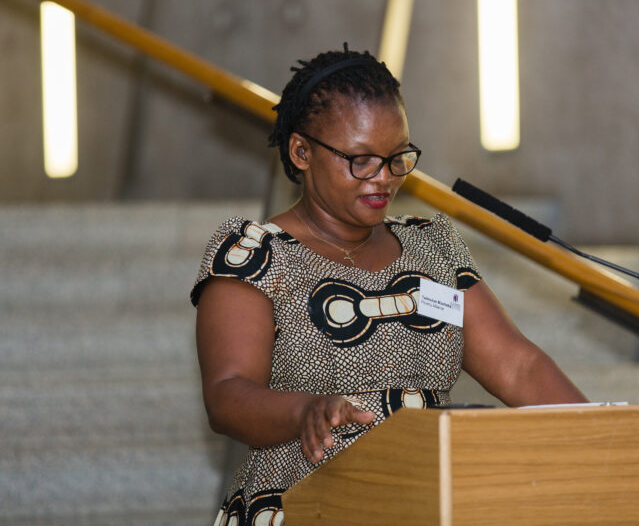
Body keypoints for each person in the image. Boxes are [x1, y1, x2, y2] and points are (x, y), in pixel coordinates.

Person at [191, 44, 586, 526]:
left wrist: (602, 439)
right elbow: (228, 394)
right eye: (360, 160)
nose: (383, 179)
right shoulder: (255, 255)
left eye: (397, 157)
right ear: (301, 151)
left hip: (424, 502)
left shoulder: (433, 246)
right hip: (299, 506)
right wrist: (305, 412)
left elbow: (518, 366)